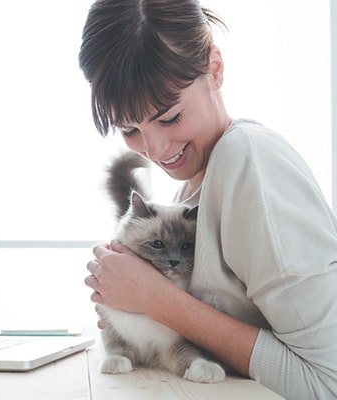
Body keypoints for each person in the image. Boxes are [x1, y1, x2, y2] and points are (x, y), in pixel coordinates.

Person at [78, 1, 337, 399]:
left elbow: (326, 381)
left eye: (170, 117)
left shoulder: (248, 161)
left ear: (215, 68)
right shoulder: (194, 186)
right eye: (129, 128)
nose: (156, 149)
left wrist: (155, 298)